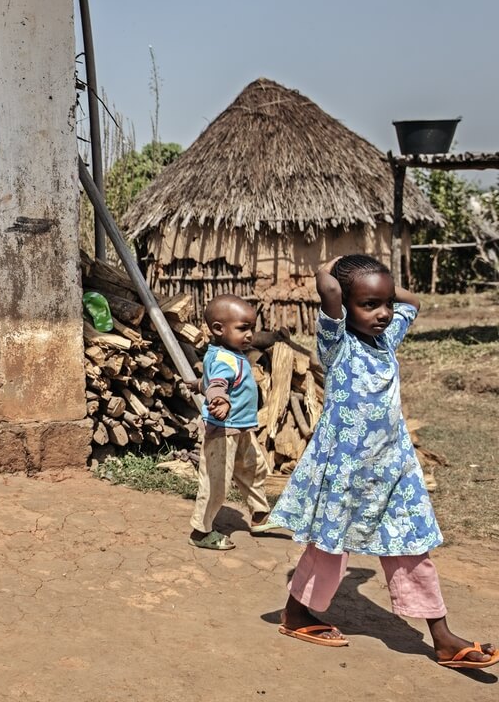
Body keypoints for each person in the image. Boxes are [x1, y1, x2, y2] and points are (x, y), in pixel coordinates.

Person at [267, 254, 497, 669]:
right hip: (346, 472)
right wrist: (332, 266)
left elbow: (416, 303)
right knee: (329, 548)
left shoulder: (387, 338)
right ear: (346, 306)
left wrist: (382, 283)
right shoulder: (336, 344)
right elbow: (330, 288)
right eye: (369, 305)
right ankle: (296, 612)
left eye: (386, 302)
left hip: (394, 469)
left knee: (413, 546)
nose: (384, 313)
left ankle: (442, 637)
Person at [187, 294, 279, 550]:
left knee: (253, 469)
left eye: (252, 328)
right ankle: (201, 531)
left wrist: (198, 385)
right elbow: (218, 384)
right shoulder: (224, 359)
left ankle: (260, 515)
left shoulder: (228, 354)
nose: (250, 334)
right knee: (216, 481)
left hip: (240, 429)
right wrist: (219, 400)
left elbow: (212, 379)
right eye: (243, 328)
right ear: (218, 328)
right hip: (223, 431)